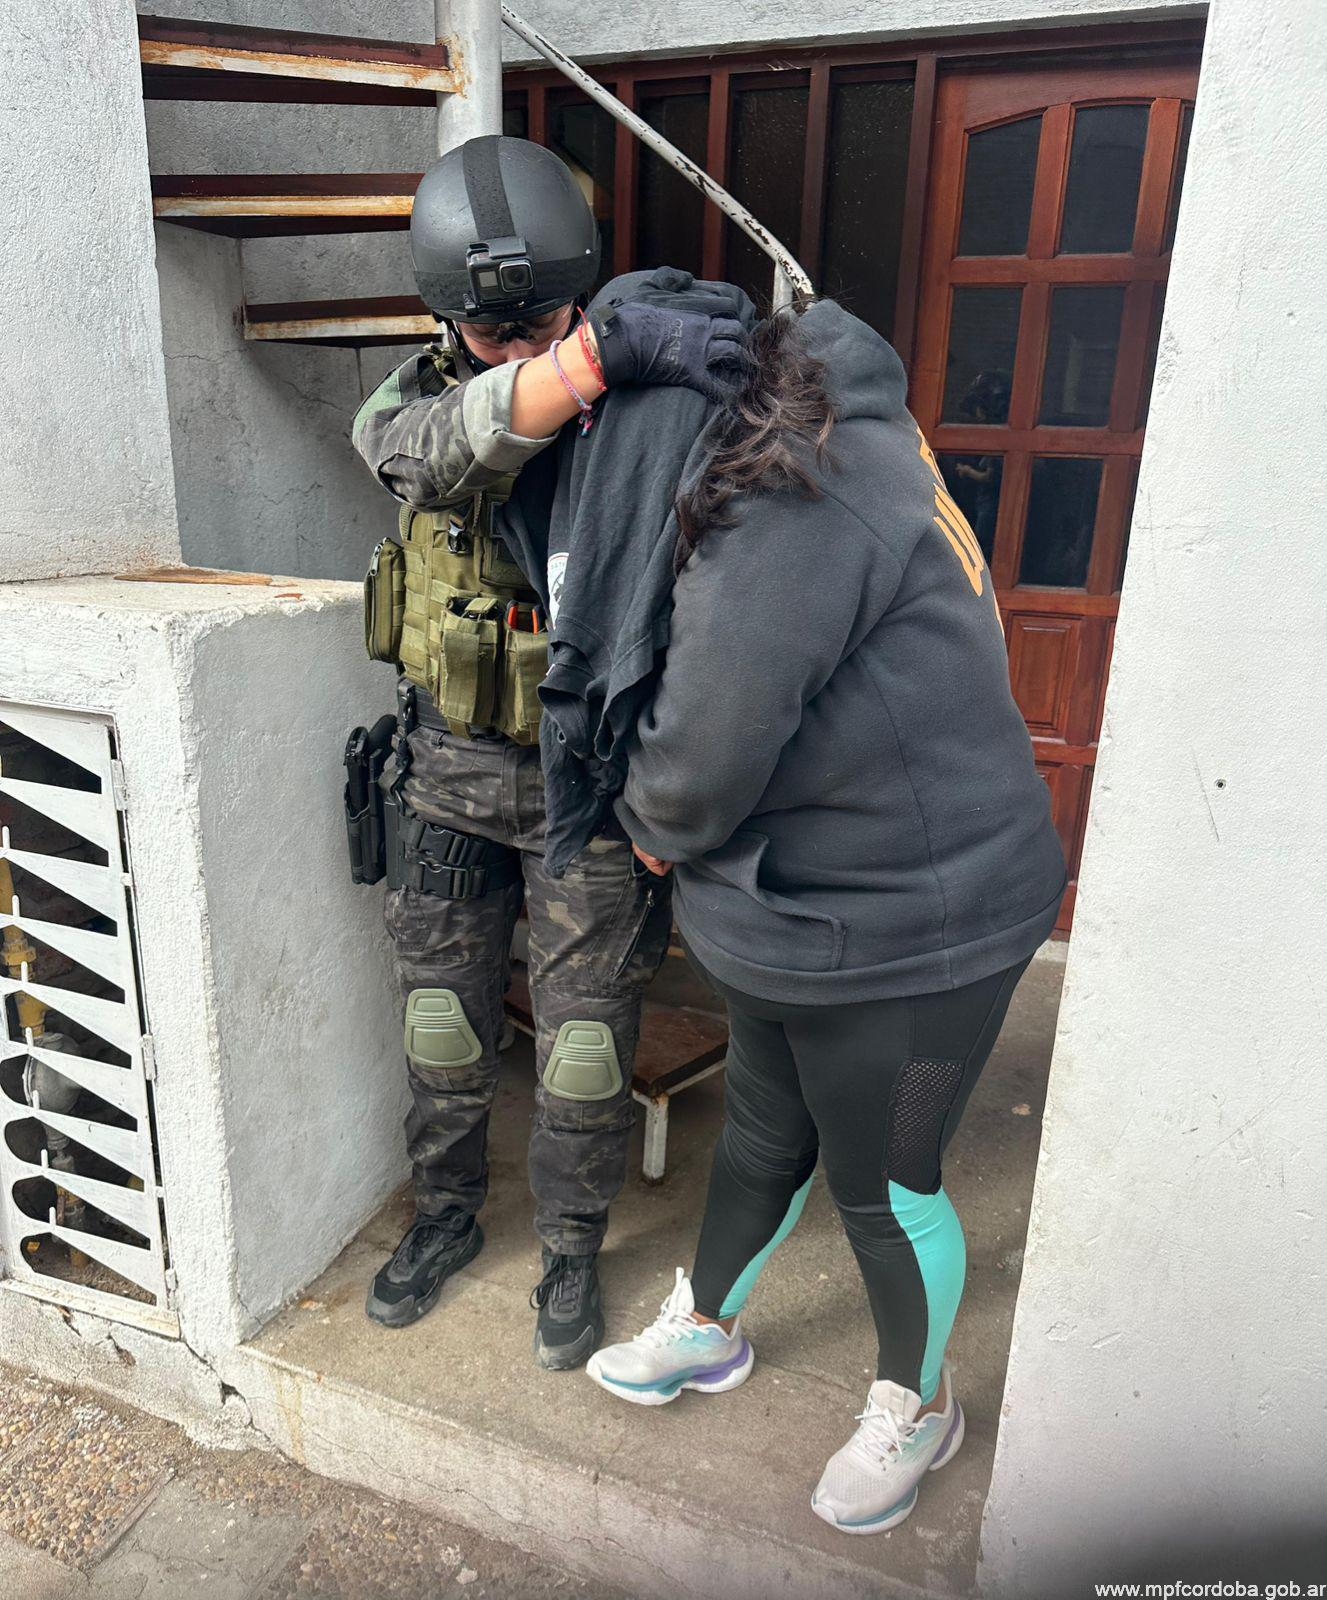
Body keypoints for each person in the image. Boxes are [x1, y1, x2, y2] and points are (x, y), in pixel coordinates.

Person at [583, 300, 1067, 1531]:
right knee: (760, 1135)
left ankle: (920, 1399)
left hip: (916, 924)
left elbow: (696, 763)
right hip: (801, 901)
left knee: (884, 1182)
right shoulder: (834, 428)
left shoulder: (791, 500)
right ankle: (709, 1324)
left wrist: (644, 814)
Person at [351, 135, 740, 1367]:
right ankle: (446, 1215)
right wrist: (577, 366)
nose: (516, 349)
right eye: (490, 332)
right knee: (442, 1024)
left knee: (583, 1049)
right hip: (447, 775)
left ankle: (571, 1247)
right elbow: (422, 456)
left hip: (589, 793)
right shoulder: (416, 402)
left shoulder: (652, 411)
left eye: (543, 324)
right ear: (446, 322)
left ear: (579, 291)